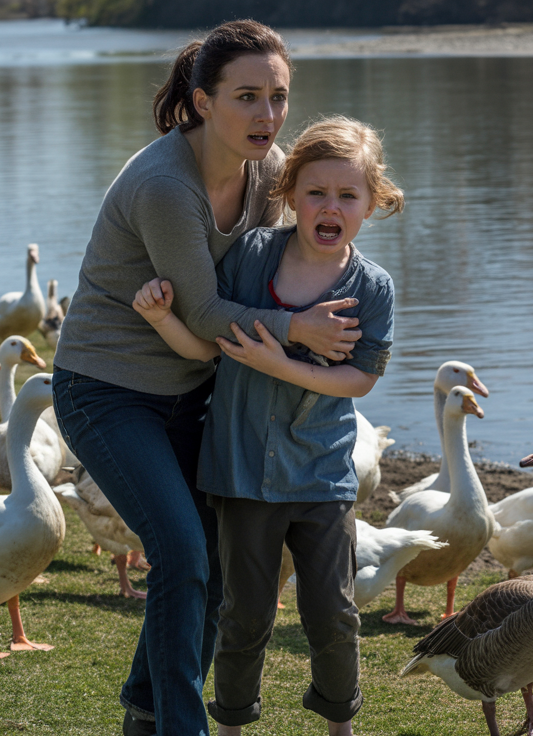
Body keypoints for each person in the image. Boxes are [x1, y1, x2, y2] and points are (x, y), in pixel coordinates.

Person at [51, 21, 363, 736]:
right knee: (183, 553)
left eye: (278, 97)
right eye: (247, 96)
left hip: (193, 391)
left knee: (211, 566)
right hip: (107, 391)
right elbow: (208, 311)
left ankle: (146, 714)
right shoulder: (165, 184)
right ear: (201, 101)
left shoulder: (270, 172)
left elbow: (305, 246)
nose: (266, 115)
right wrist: (297, 332)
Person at [132, 114, 402, 736]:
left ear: (371, 203)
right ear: (289, 195)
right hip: (241, 472)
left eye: (347, 195)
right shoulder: (251, 256)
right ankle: (230, 726)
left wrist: (278, 363)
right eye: (315, 192)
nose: (329, 206)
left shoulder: (375, 288)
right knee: (245, 615)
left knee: (332, 613)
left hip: (322, 475)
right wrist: (162, 321)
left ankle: (339, 725)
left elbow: (360, 380)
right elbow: (208, 341)